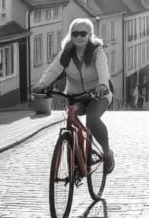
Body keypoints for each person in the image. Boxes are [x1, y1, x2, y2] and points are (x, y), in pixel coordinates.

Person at [32, 18, 115, 173]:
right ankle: (78, 153)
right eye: (75, 34)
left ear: (90, 34)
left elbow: (103, 69)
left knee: (92, 119)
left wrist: (103, 85)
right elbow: (53, 70)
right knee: (72, 117)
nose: (79, 37)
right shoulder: (66, 53)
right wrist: (42, 84)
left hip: (98, 94)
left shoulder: (97, 51)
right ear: (71, 35)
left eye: (83, 34)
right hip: (75, 95)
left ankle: (107, 152)